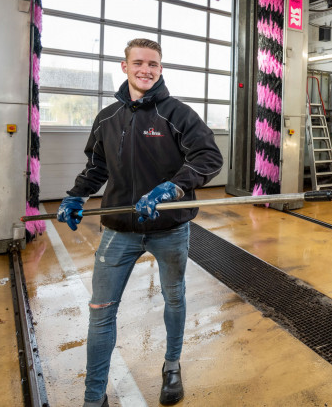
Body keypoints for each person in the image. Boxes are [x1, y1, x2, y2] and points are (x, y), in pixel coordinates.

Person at [57, 38, 223, 407]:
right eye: (139, 63)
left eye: (153, 64)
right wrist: (75, 194)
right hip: (119, 229)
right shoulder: (107, 117)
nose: (146, 69)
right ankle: (93, 397)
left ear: (160, 69)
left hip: (169, 229)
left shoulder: (177, 114)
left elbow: (209, 157)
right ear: (125, 66)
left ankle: (172, 365)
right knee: (101, 311)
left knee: (174, 299)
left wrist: (172, 188)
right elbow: (97, 167)